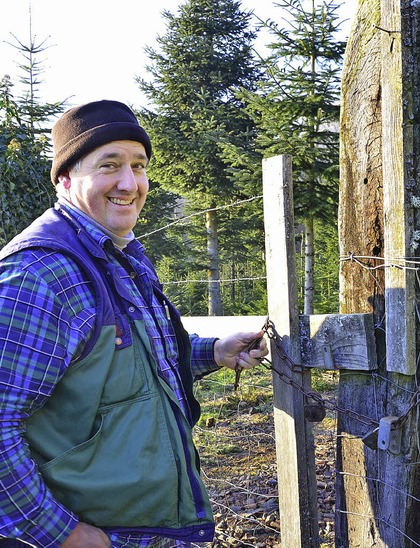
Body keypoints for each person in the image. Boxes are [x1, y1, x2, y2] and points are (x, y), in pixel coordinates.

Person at [0, 100, 268, 547]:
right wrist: (65, 535)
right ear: (66, 178)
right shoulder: (40, 275)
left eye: (138, 166)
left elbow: (127, 361)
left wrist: (215, 352)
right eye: (109, 165)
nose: (130, 183)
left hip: (141, 531)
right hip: (96, 534)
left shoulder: (121, 255)